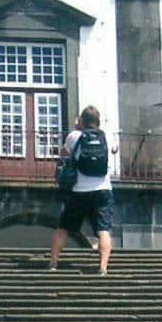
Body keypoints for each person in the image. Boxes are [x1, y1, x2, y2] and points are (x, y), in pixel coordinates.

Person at [50, 106, 115, 275]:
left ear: (82, 121)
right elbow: (114, 150)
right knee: (104, 230)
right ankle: (103, 267)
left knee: (63, 227)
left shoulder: (74, 136)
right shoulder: (107, 136)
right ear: (98, 121)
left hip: (78, 190)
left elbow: (64, 154)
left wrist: (77, 128)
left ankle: (53, 262)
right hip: (103, 190)